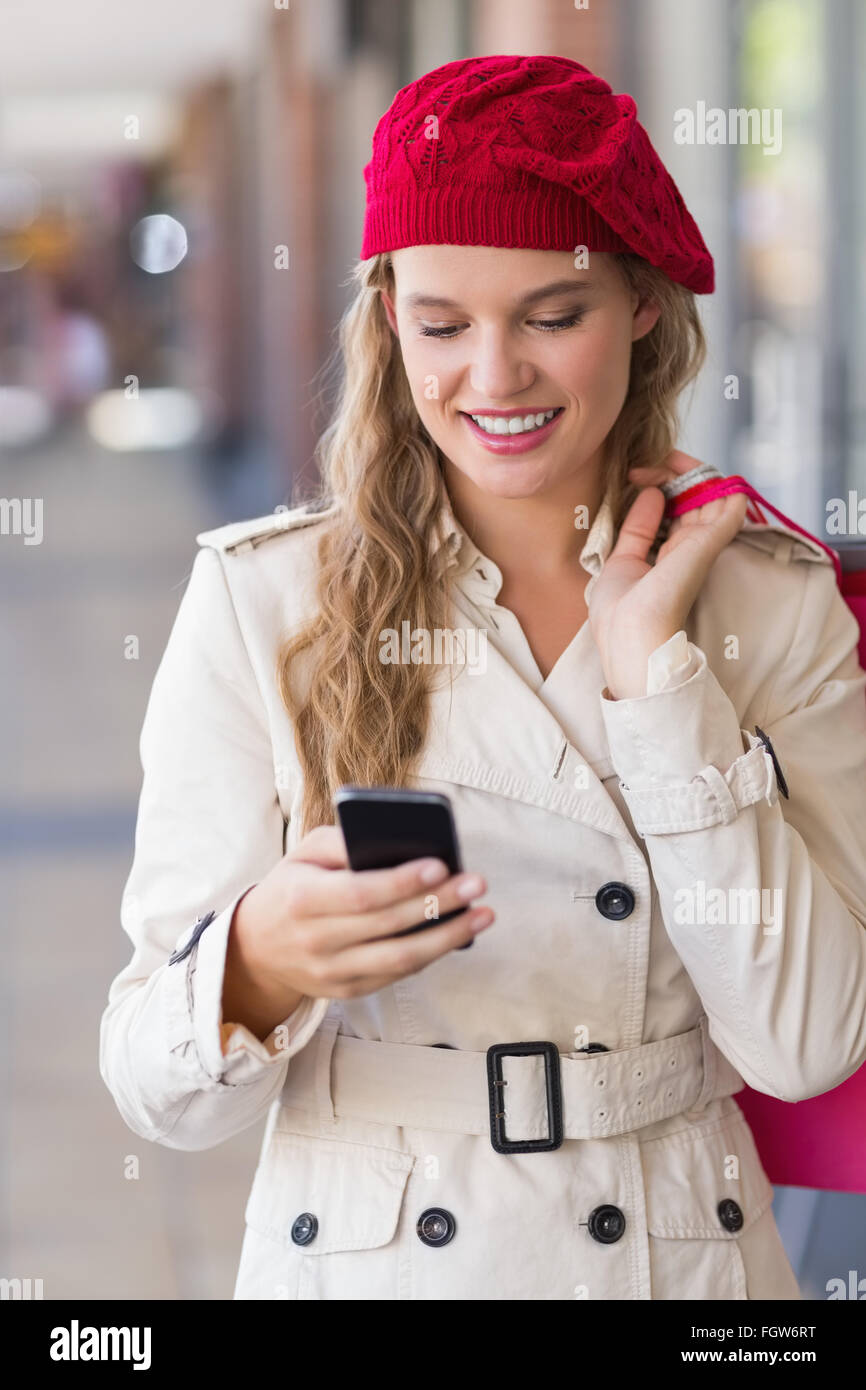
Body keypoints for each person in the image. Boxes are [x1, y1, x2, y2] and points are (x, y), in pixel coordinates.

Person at [99, 54, 866, 1301]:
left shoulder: (765, 599)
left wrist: (656, 681)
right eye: (442, 324)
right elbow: (151, 1085)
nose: (493, 377)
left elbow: (801, 1042)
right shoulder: (263, 600)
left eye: (552, 316)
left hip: (681, 1263)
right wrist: (256, 960)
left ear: (641, 308)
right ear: (388, 317)